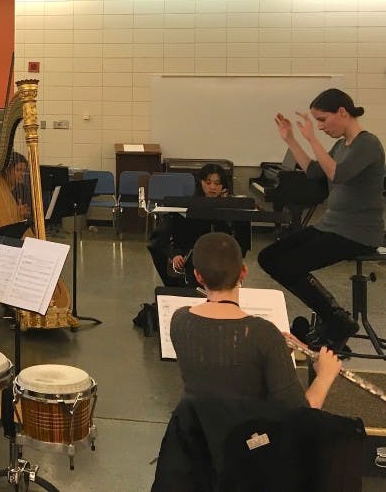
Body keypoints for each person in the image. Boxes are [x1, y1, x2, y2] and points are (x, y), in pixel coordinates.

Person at [258, 88, 385, 351]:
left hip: (356, 233)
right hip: (331, 226)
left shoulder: (367, 144)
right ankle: (334, 317)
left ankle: (336, 320)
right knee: (269, 257)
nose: (320, 126)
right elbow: (316, 172)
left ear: (342, 112)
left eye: (323, 120)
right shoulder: (342, 145)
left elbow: (337, 174)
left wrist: (312, 139)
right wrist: (292, 140)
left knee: (289, 265)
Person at [171, 233, 342, 410]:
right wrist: (324, 376)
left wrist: (272, 357)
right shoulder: (264, 333)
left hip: (194, 425)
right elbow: (301, 415)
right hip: (247, 427)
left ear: (198, 276)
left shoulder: (180, 319)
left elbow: (221, 379)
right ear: (243, 272)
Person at [147, 163, 235, 287]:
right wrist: (174, 254)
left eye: (217, 183)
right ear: (200, 182)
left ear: (223, 186)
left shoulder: (229, 207)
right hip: (190, 257)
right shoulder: (187, 205)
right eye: (208, 182)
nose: (212, 187)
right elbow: (160, 238)